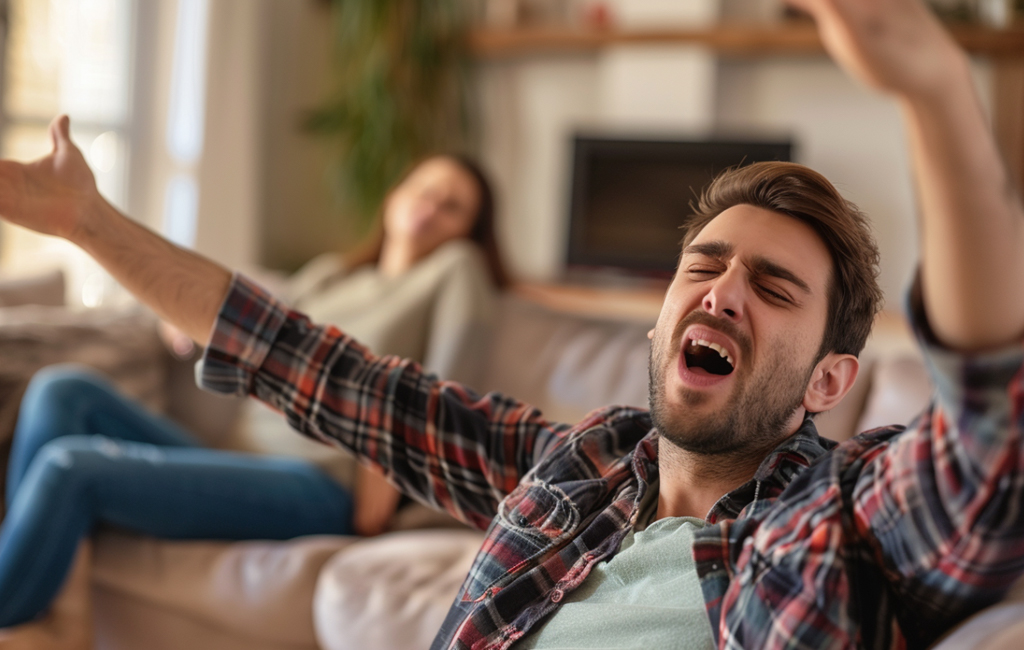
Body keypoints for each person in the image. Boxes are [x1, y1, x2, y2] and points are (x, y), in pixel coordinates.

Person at [0, 0, 1022, 647]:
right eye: (702, 266)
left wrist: (934, 94)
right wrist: (87, 222)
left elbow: (986, 435)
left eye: (772, 286)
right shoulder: (567, 468)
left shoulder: (846, 515)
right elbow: (308, 362)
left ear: (830, 381)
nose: (719, 291)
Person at [0, 153, 506, 632]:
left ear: (469, 231)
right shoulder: (332, 275)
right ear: (395, 195)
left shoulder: (456, 268)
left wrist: (391, 456)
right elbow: (253, 334)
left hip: (316, 482)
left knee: (71, 467)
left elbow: (451, 389)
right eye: (425, 190)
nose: (431, 208)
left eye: (452, 206)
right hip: (236, 460)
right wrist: (180, 325)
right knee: (61, 389)